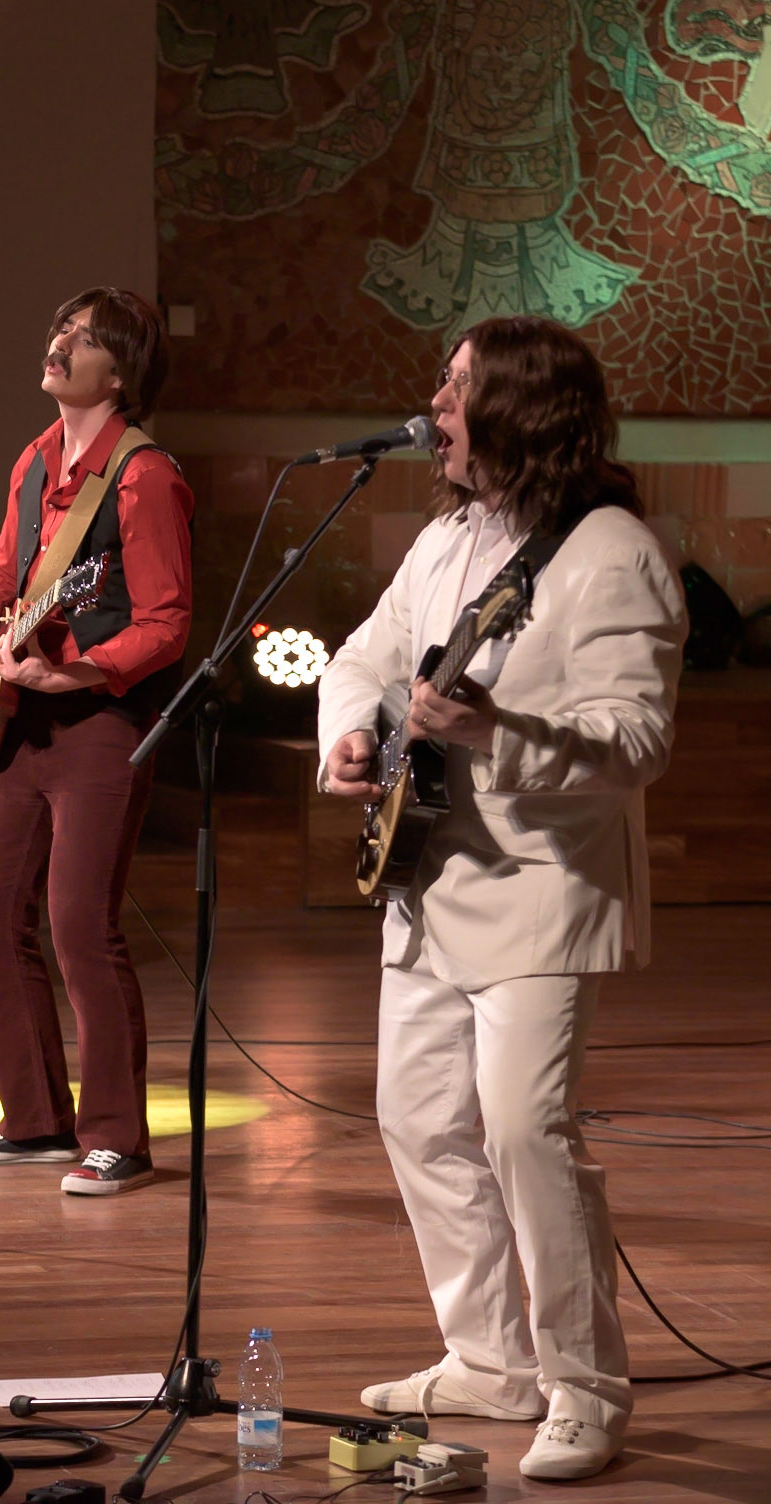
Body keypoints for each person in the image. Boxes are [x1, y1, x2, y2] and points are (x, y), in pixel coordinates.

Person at [318, 316, 686, 1480]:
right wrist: (351, 733)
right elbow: (365, 657)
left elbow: (636, 737)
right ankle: (487, 1357)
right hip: (427, 874)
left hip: (541, 884)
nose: (433, 406)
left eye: (455, 386)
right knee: (417, 1119)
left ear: (517, 407)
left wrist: (496, 732)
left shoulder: (611, 552)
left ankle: (585, 1385)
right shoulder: (447, 538)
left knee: (527, 1132)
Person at [0, 288, 193, 1196]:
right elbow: (6, 571)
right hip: (22, 715)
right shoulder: (36, 458)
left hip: (100, 724)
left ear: (119, 373)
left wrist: (76, 673)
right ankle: (36, 1120)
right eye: (60, 330)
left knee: (82, 924)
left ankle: (118, 1135)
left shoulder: (145, 475)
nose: (58, 344)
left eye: (81, 339)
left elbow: (165, 623)